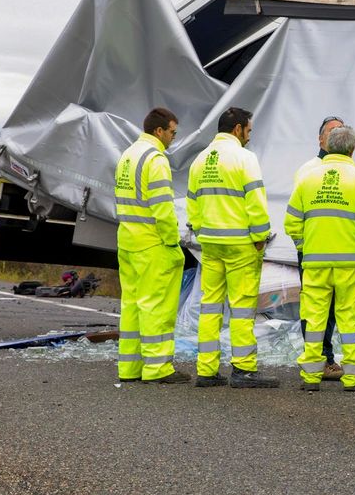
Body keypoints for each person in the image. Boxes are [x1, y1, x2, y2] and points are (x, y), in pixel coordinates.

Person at [285, 125, 355, 391]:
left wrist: (303, 245)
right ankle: (352, 377)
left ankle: (310, 377)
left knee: (315, 318)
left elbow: (292, 220)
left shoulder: (308, 179)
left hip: (315, 262)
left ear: (327, 145)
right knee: (349, 318)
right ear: (353, 149)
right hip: (349, 263)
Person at [187, 107, 278, 388]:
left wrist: (204, 233)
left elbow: (193, 206)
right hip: (240, 245)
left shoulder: (200, 161)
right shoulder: (244, 158)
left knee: (210, 306)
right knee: (241, 308)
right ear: (237, 129)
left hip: (211, 246)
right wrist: (261, 235)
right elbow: (255, 201)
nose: (249, 136)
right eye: (248, 130)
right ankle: (243, 369)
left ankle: (206, 370)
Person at [113, 107, 188, 384]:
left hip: (127, 241)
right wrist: (172, 242)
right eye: (172, 132)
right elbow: (162, 208)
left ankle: (129, 368)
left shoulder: (128, 155)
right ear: (159, 131)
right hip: (151, 243)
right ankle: (157, 367)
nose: (173, 138)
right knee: (156, 306)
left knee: (132, 305)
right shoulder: (155, 159)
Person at [293, 115, 345, 381]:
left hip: (341, 254)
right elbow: (295, 216)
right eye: (331, 132)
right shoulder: (308, 170)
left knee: (335, 308)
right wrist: (303, 248)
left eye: (340, 132)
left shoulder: (349, 170)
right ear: (321, 138)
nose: (336, 136)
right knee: (313, 308)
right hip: (314, 254)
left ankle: (325, 357)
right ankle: (319, 358)